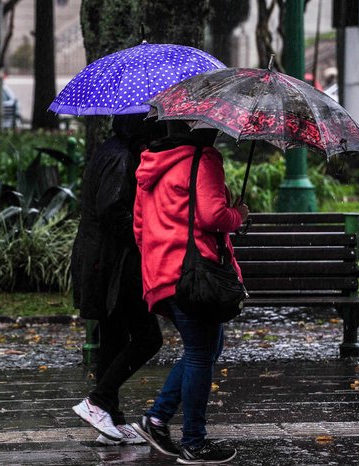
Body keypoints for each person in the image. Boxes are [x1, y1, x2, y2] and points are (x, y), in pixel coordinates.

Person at [131, 121, 248, 464]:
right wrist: (238, 213)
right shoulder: (203, 158)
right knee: (200, 353)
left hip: (161, 274)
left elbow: (140, 227)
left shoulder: (151, 162)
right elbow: (213, 216)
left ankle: (156, 419)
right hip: (193, 276)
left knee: (209, 346)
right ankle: (194, 442)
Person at [71, 114, 166, 445]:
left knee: (113, 339)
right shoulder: (121, 156)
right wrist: (144, 237)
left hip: (105, 261)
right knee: (148, 337)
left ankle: (110, 418)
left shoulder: (111, 149)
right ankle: (98, 401)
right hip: (114, 264)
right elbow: (111, 209)